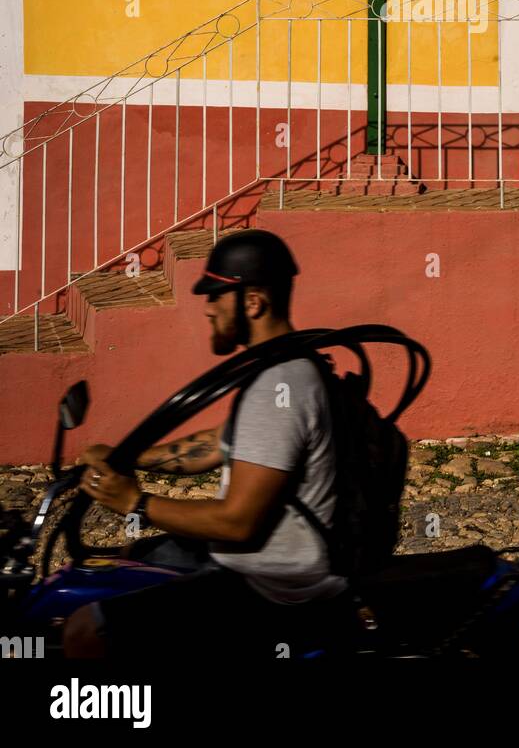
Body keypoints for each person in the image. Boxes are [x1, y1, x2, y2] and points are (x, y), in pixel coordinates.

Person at [62, 229, 356, 658]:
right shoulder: (289, 369)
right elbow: (216, 443)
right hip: (268, 570)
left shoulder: (279, 385)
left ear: (253, 301)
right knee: (132, 558)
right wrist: (129, 457)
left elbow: (237, 522)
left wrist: (135, 503)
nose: (208, 309)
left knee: (86, 631)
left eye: (216, 295)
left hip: (272, 587)